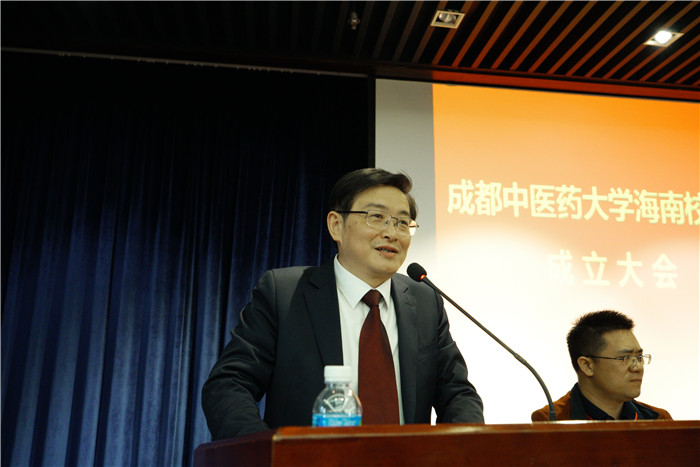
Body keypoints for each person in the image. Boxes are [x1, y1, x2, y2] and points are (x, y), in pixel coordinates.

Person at [202, 168, 484, 439]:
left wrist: (460, 452)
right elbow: (230, 384)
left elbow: (457, 394)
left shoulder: (425, 301)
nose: (392, 232)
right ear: (336, 225)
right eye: (377, 217)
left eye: (402, 222)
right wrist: (266, 452)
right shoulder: (285, 294)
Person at [532, 310, 672, 421]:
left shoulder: (658, 420)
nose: (638, 367)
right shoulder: (552, 420)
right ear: (587, 366)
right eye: (625, 358)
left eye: (639, 357)